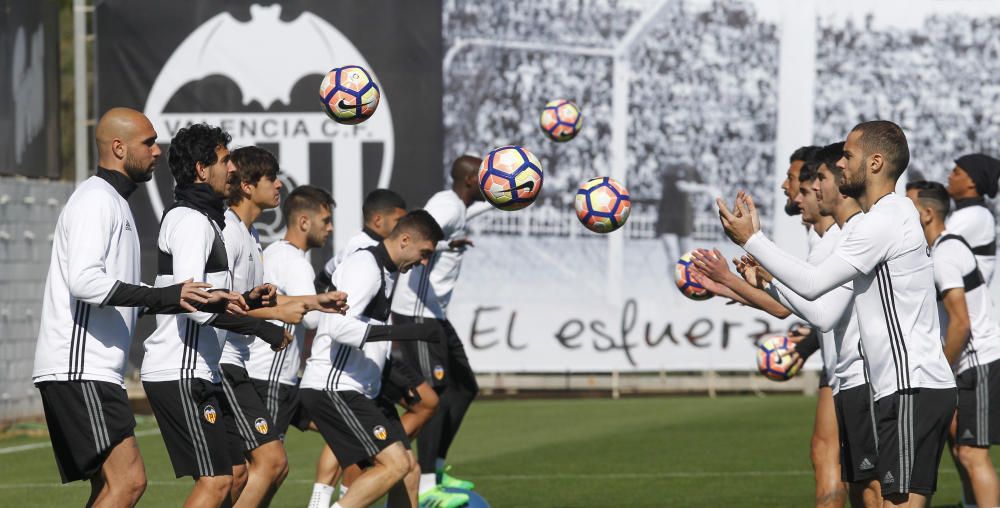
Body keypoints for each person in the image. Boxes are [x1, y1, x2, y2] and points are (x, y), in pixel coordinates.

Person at [720, 121, 956, 506]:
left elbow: (814, 283)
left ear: (876, 162)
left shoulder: (886, 218)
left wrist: (753, 239)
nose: (841, 165)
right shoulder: (880, 220)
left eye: (848, 155)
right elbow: (824, 309)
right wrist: (768, 283)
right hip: (900, 386)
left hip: (912, 383)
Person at [32, 108, 240, 507]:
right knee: (128, 482)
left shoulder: (115, 202)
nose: (157, 151)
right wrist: (166, 296)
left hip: (93, 370)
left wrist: (185, 299)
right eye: (148, 142)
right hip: (78, 368)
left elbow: (126, 296)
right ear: (118, 147)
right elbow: (85, 282)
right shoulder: (96, 200)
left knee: (112, 487)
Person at [141, 123, 291, 507]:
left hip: (199, 370)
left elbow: (209, 296)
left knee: (237, 473)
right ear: (201, 169)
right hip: (180, 370)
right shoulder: (191, 221)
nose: (234, 170)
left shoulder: (208, 220)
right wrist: (262, 329)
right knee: (216, 483)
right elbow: (194, 302)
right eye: (226, 160)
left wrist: (245, 299)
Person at [694, 145, 852, 507]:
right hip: (841, 367)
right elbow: (795, 304)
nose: (787, 187)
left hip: (858, 370)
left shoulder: (840, 239)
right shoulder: (822, 237)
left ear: (817, 185)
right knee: (834, 459)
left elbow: (804, 307)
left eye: (795, 179)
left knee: (859, 474)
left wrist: (743, 270)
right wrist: (731, 283)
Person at [220, 147, 348, 507]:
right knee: (266, 466)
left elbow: (256, 301)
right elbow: (306, 318)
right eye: (326, 221)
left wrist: (305, 302)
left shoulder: (259, 241)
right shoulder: (281, 255)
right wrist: (315, 306)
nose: (279, 184)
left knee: (253, 471)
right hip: (268, 376)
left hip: (269, 374)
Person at [299, 210, 446, 508]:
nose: (424, 261)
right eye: (424, 253)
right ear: (405, 240)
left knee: (408, 470)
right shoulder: (365, 266)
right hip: (335, 387)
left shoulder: (386, 270)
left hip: (361, 388)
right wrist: (408, 332)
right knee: (395, 464)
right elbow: (339, 327)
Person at [390, 156, 485, 505]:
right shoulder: (447, 205)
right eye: (485, 176)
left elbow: (489, 205)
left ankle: (438, 469)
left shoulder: (460, 207)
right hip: (416, 314)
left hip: (434, 314)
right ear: (471, 179)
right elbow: (416, 233)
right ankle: (427, 484)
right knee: (437, 395)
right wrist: (446, 245)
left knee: (464, 387)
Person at [907, 181, 1000, 508]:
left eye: (909, 209)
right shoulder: (939, 251)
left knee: (972, 454)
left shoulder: (946, 253)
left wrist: (939, 372)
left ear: (928, 214)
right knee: (961, 449)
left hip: (979, 362)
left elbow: (961, 322)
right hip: (968, 364)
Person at [945, 154, 1000, 284]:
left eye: (956, 173)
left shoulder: (974, 215)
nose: (949, 177)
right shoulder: (970, 213)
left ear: (972, 182)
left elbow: (932, 250)